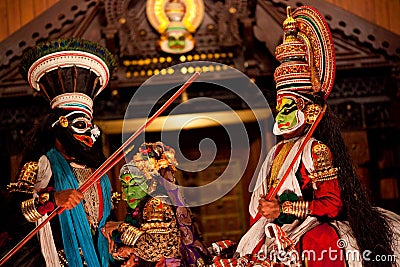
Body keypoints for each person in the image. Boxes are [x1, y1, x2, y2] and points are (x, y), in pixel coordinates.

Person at [211, 5, 400, 267]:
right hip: (276, 229)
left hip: (308, 226)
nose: (281, 116)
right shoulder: (275, 153)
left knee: (318, 245)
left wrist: (284, 208)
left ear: (308, 111)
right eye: (279, 109)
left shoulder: (316, 151)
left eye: (288, 107)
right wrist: (266, 211)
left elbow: (332, 205)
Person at [1, 38, 116, 266]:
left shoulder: (98, 173)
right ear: (59, 126)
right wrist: (53, 199)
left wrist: (113, 230)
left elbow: (100, 221)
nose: (91, 135)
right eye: (82, 126)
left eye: (92, 128)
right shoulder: (40, 165)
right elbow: (12, 218)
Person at [102, 142, 212, 267]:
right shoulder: (140, 207)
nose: (129, 192)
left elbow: (154, 249)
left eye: (135, 184)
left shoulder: (155, 203)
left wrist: (120, 226)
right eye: (125, 186)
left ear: (150, 182)